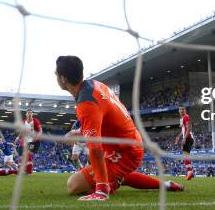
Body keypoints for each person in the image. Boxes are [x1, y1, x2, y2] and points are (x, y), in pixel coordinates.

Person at [55, 55, 183, 201]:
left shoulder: (87, 103)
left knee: (73, 184)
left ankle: (109, 185)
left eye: (56, 74)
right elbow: (105, 121)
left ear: (64, 79)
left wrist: (101, 188)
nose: (55, 76)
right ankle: (165, 185)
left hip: (126, 151)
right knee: (111, 171)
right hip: (127, 143)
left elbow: (95, 148)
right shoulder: (95, 85)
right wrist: (77, 132)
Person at [15, 110, 42, 175]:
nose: (30, 113)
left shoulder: (36, 121)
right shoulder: (23, 122)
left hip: (32, 141)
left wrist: (38, 136)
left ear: (32, 114)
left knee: (28, 155)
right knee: (21, 157)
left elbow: (40, 130)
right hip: (23, 141)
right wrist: (18, 138)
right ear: (26, 114)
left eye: (31, 112)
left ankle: (29, 172)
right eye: (28, 112)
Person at [175, 105, 195, 180]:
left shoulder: (186, 117)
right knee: (186, 155)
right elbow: (183, 129)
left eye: (183, 109)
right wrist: (178, 136)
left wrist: (184, 138)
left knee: (185, 155)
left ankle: (189, 172)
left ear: (185, 110)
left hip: (188, 138)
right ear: (178, 111)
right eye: (180, 109)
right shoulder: (182, 119)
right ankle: (190, 172)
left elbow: (189, 128)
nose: (181, 110)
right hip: (188, 138)